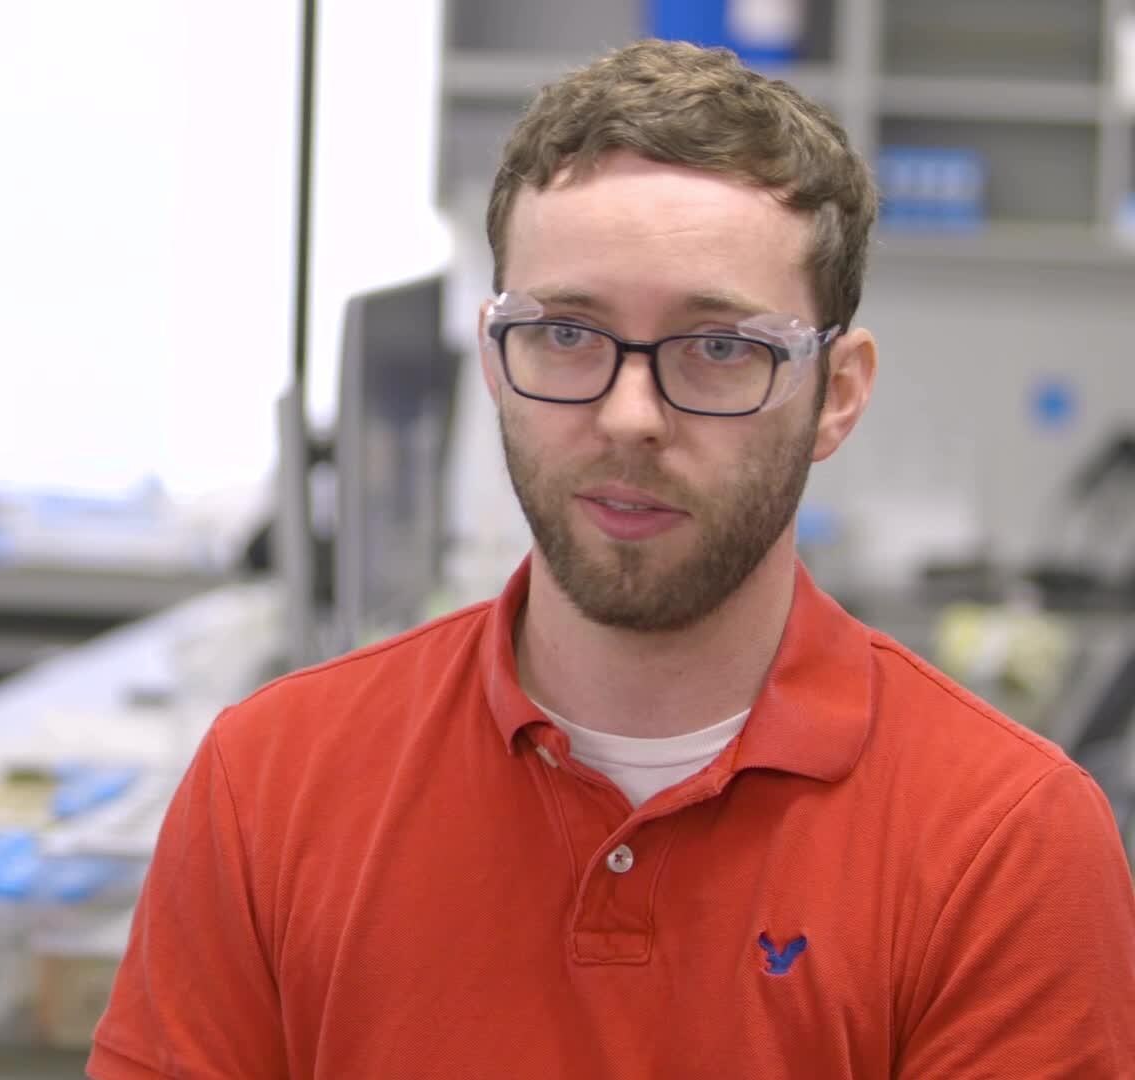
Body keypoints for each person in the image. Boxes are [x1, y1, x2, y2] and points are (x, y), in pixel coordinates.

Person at [87, 39, 1135, 1079]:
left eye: (720, 348)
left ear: (838, 395)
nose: (630, 416)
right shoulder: (268, 782)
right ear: (494, 357)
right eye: (566, 335)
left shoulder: (1007, 843)